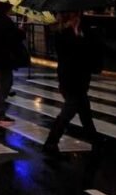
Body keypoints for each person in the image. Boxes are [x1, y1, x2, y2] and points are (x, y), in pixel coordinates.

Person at [43, 11, 101, 152]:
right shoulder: (62, 33)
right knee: (71, 109)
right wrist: (76, 34)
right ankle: (52, 140)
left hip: (81, 75)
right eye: (75, 16)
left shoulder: (82, 31)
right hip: (70, 77)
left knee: (84, 109)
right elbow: (69, 53)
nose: (78, 18)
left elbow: (93, 47)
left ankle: (94, 139)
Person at [0, 0, 25, 127]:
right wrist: (20, 32)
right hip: (3, 56)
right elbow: (10, 38)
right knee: (5, 83)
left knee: (3, 82)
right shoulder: (3, 20)